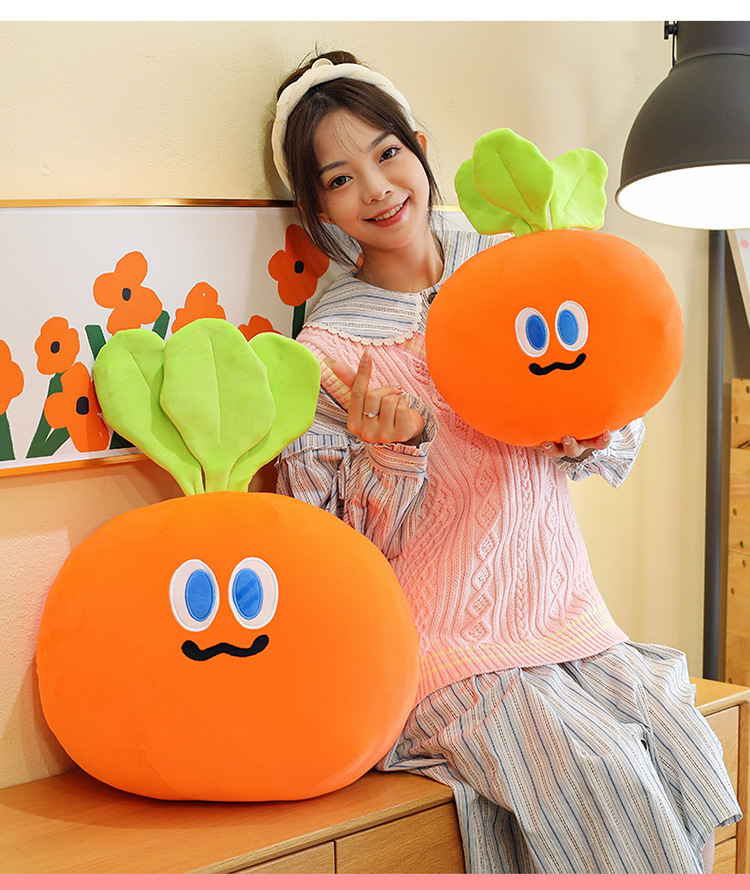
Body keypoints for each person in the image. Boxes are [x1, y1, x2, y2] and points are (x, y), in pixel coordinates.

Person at [270, 50, 740, 874]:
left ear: (419, 148)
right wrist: (390, 455)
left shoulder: (516, 271)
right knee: (603, 774)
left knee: (681, 742)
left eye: (387, 153)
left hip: (568, 618)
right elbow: (331, 557)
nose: (377, 189)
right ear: (318, 208)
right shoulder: (328, 355)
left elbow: (611, 394)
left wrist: (587, 433)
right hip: (445, 652)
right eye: (340, 180)